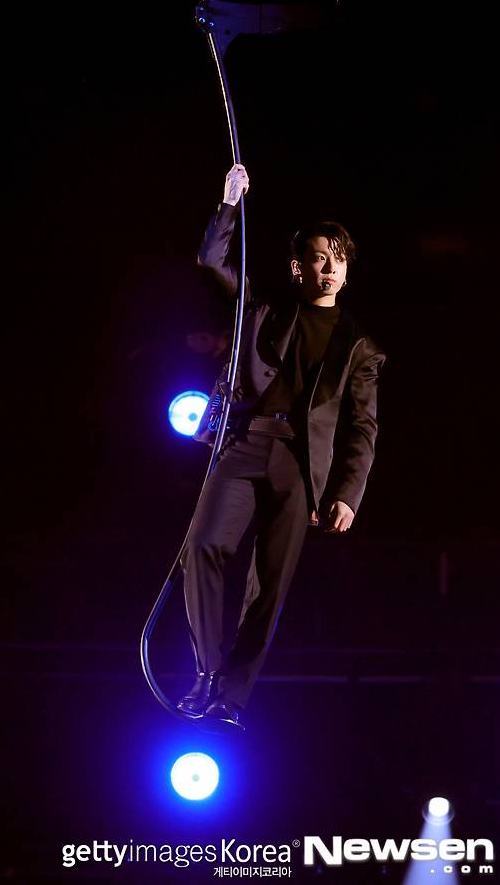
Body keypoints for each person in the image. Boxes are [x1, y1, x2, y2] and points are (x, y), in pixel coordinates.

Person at [176, 163, 385, 730]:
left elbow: (362, 427)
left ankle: (233, 696)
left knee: (269, 585)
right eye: (318, 258)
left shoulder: (359, 346)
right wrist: (229, 203)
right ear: (299, 267)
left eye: (338, 258)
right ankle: (206, 672)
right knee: (203, 547)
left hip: (299, 466)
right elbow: (211, 262)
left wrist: (347, 493)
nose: (329, 267)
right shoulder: (263, 307)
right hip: (245, 444)